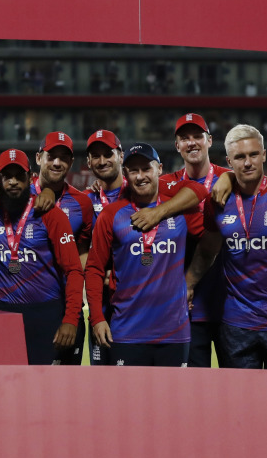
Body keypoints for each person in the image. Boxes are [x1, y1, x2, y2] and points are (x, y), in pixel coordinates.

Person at [187, 125, 267, 370]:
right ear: (229, 162)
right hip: (236, 325)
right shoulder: (217, 201)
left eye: (253, 155)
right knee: (239, 403)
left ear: (264, 155)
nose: (247, 163)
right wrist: (188, 284)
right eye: (239, 157)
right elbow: (207, 250)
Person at [85, 143, 209, 366]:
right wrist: (97, 318)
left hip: (174, 332)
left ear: (159, 169)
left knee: (172, 401)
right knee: (127, 401)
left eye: (146, 169)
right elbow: (94, 269)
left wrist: (190, 281)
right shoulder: (112, 215)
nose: (140, 176)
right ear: (126, 174)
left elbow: (212, 238)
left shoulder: (180, 210)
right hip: (126, 332)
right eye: (134, 170)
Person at [126, 114, 231, 368]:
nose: (191, 143)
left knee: (236, 389)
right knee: (194, 392)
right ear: (177, 146)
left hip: (232, 304)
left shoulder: (233, 177)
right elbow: (130, 186)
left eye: (197, 136)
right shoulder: (166, 184)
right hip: (188, 309)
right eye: (184, 138)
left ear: (209, 140)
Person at [0, 149, 84, 365]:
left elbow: (74, 270)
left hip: (47, 314)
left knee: (48, 391)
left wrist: (71, 319)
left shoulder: (50, 214)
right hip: (4, 313)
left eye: (19, 176)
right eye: (6, 176)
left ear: (30, 178)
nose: (13, 182)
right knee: (6, 387)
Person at [33, 131, 93, 364]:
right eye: (51, 156)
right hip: (28, 305)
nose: (57, 162)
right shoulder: (18, 196)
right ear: (39, 158)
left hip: (67, 307)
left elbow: (83, 253)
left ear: (71, 163)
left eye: (63, 158)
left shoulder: (83, 203)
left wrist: (76, 302)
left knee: (66, 388)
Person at [85, 129, 125, 365]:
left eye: (108, 154)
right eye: (95, 156)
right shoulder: (84, 201)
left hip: (135, 303)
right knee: (101, 381)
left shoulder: (141, 193)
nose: (102, 161)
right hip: (100, 303)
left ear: (120, 155)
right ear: (88, 162)